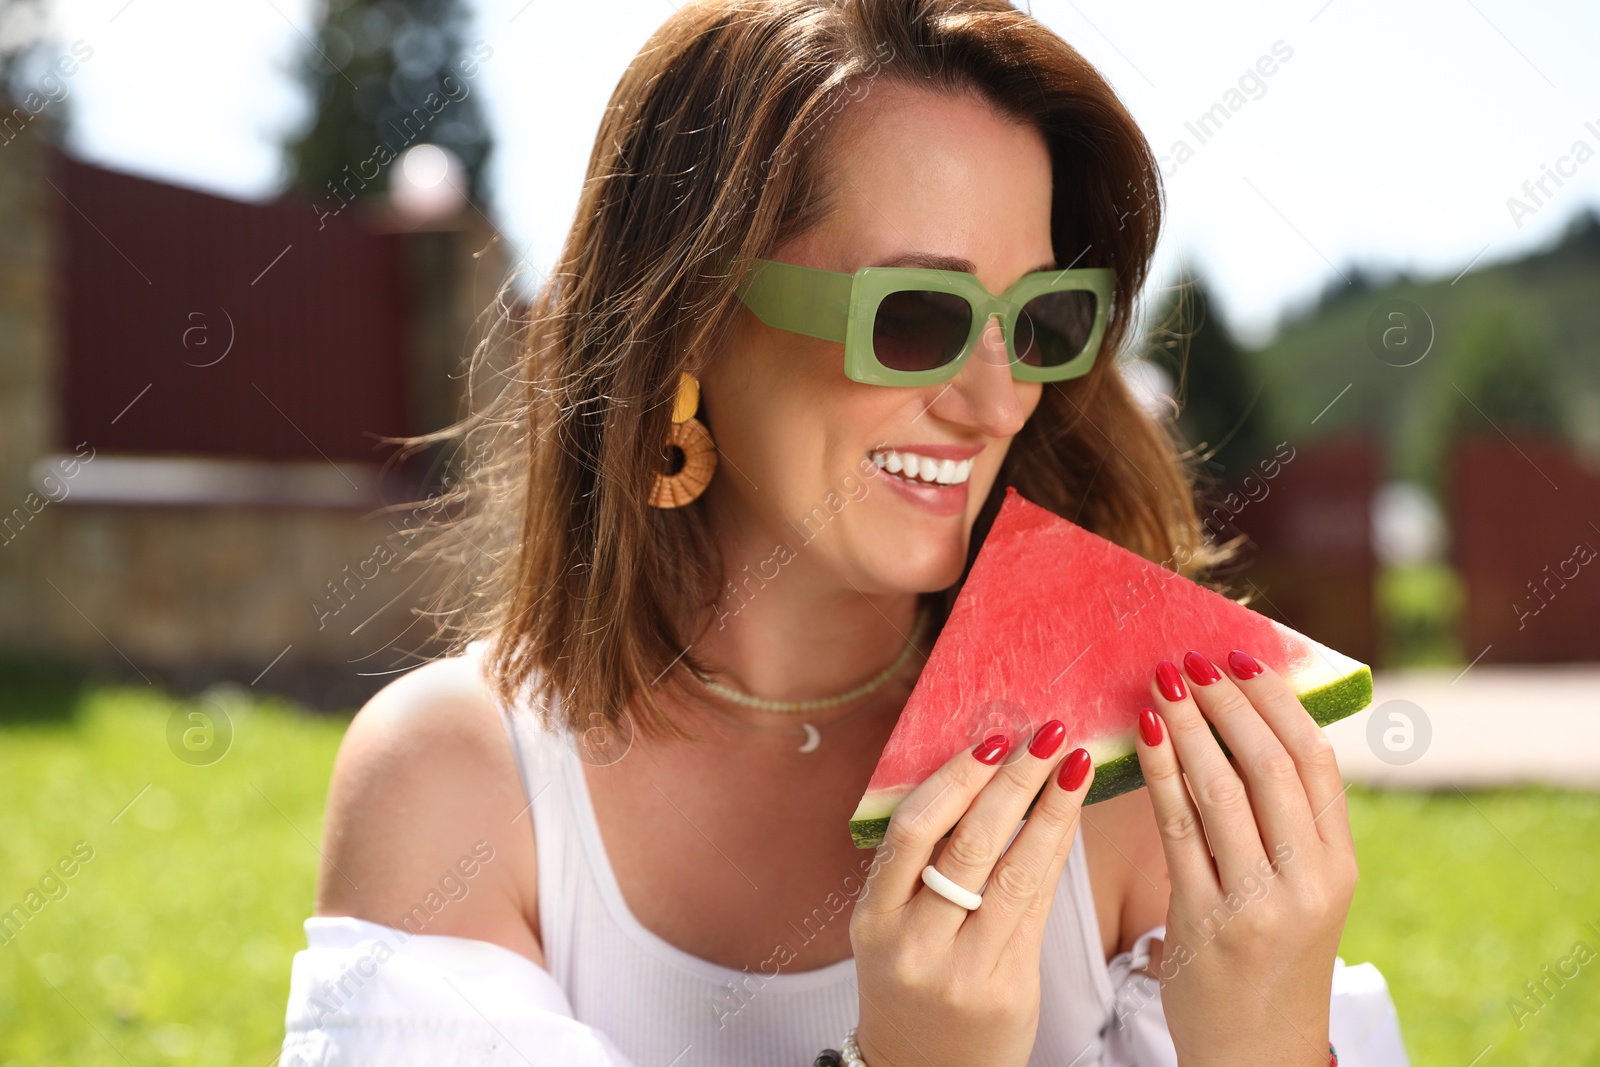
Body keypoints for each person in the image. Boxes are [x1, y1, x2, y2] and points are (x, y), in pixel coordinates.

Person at [280, 2, 1406, 1064]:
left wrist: (1266, 1035)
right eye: (917, 314)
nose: (999, 401)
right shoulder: (457, 785)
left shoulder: (1132, 791)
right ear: (694, 317)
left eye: (1042, 320)